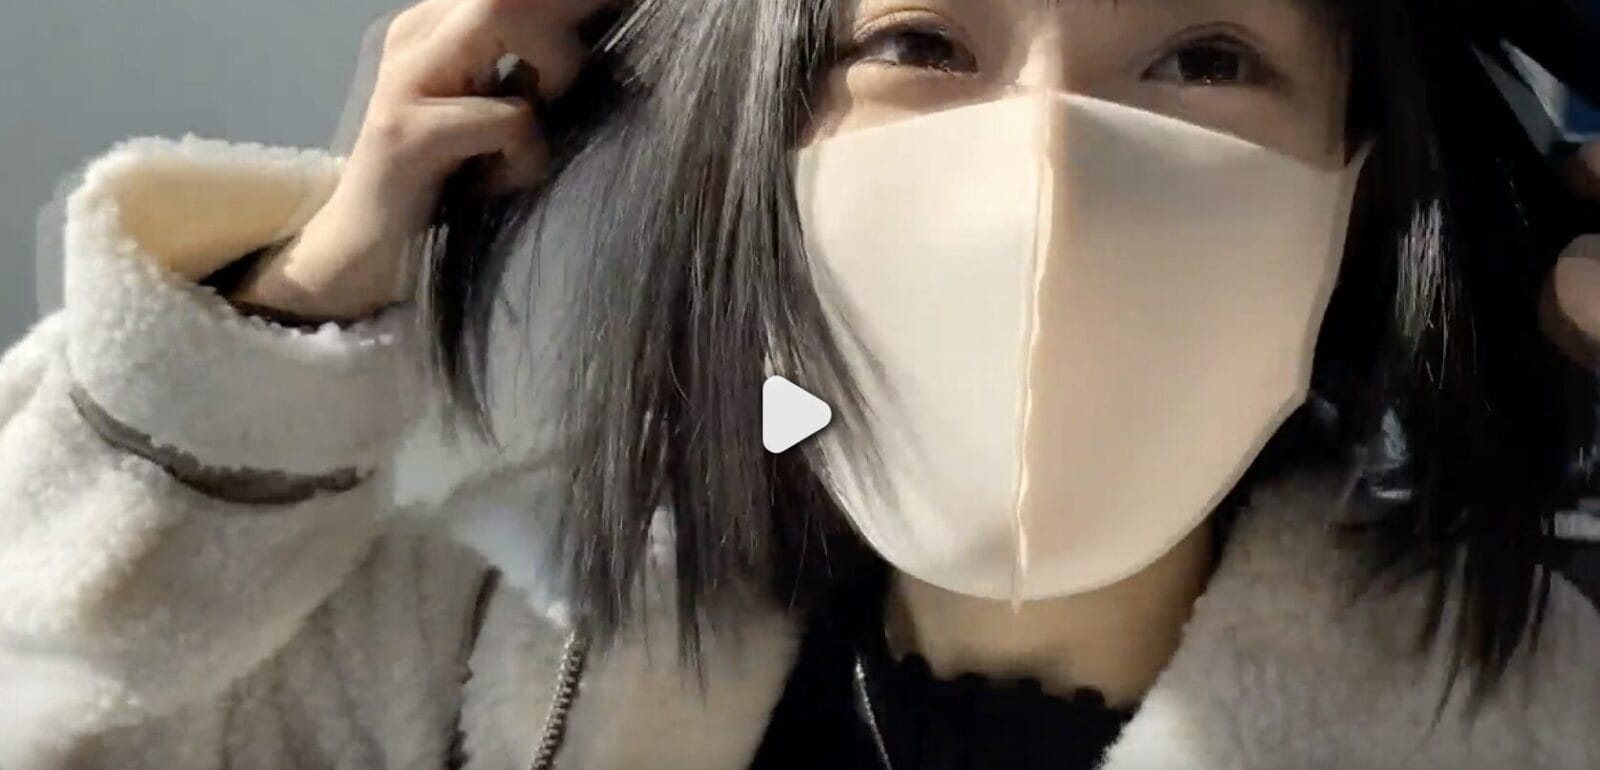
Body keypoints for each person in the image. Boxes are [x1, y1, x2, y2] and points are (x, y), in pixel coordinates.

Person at [3, 0, 1600, 768]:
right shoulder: (497, 639)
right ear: (754, 150)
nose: (1045, 166)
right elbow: (64, 707)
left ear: (1358, 187)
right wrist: (311, 283)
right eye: (918, 43)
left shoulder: (1540, 704)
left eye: (1204, 59)